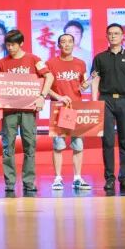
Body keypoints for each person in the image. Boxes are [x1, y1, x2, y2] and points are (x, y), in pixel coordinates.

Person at [0, 29, 53, 197]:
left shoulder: (33, 59)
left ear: (21, 43)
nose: (10, 48)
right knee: (8, 146)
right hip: (9, 110)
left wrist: (42, 96)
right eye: (8, 45)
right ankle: (9, 182)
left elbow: (49, 77)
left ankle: (29, 181)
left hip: (29, 110)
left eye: (13, 45)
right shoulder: (2, 62)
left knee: (30, 145)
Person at [91, 23, 125, 196]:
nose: (113, 36)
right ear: (106, 36)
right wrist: (94, 102)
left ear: (122, 36)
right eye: (110, 34)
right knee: (107, 141)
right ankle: (109, 178)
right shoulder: (100, 58)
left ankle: (124, 177)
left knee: (124, 141)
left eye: (116, 33)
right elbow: (95, 80)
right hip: (105, 100)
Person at [46, 33, 92, 194]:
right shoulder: (50, 63)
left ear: (74, 44)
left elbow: (83, 85)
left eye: (70, 41)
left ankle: (77, 178)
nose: (67, 44)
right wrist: (59, 97)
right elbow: (45, 86)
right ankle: (57, 178)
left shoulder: (80, 63)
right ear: (58, 45)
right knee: (58, 145)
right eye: (63, 42)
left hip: (76, 108)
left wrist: (87, 84)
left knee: (78, 145)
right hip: (59, 108)